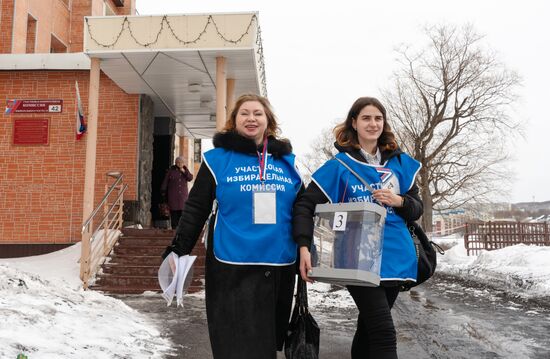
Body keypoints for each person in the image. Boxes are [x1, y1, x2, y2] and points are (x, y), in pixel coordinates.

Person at [161, 94, 303, 359]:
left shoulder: (287, 161)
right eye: (244, 113)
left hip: (278, 264)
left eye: (258, 113)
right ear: (234, 121)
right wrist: (179, 248)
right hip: (231, 265)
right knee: (234, 342)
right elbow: (196, 208)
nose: (251, 118)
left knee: (266, 344)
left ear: (268, 120)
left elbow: (302, 208)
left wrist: (307, 248)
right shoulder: (217, 160)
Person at [293, 96, 423, 359]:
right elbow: (304, 205)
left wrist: (398, 200)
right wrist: (304, 247)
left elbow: (416, 208)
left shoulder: (400, 164)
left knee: (368, 331)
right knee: (384, 333)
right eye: (366, 117)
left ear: (384, 123)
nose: (372, 123)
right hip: (357, 260)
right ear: (354, 122)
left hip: (397, 258)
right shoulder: (339, 166)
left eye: (378, 118)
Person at [161, 156, 194, 229]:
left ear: (183, 163)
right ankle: (174, 229)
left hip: (183, 197)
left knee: (182, 213)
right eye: (178, 162)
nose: (180, 164)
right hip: (173, 196)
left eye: (181, 162)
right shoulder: (171, 171)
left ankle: (181, 229)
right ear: (175, 163)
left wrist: (184, 172)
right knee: (174, 213)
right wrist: (163, 192)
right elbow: (165, 182)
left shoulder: (185, 170)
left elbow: (190, 178)